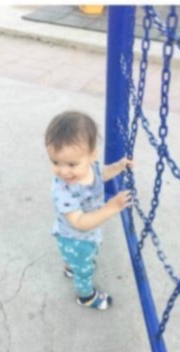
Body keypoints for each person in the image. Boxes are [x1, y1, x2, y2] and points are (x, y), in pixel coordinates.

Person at [45, 111, 133, 310]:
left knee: (76, 260)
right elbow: (80, 223)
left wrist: (119, 167)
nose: (63, 171)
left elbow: (101, 174)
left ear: (91, 156)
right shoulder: (63, 190)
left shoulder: (91, 167)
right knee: (85, 270)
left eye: (72, 164)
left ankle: (70, 267)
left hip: (80, 235)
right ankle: (86, 296)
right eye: (55, 162)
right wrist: (111, 208)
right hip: (76, 238)